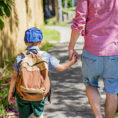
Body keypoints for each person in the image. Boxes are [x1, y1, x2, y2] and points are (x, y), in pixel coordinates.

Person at [8, 27, 77, 118]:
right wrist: (71, 62)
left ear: (25, 42)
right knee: (39, 115)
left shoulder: (20, 57)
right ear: (40, 42)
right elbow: (61, 68)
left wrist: (11, 93)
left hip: (22, 93)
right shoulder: (45, 56)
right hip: (40, 93)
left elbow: (14, 77)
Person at [68, 0, 118, 118]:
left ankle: (98, 116)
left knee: (90, 84)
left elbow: (79, 21)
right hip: (114, 52)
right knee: (112, 91)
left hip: (92, 51)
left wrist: (71, 47)